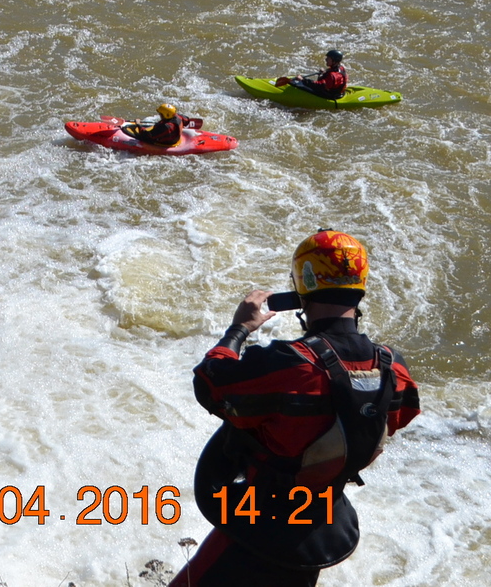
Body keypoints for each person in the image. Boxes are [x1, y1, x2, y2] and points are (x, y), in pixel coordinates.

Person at [171, 230, 420, 587]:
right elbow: (400, 416)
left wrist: (239, 328)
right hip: (319, 521)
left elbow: (210, 383)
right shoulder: (393, 366)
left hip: (260, 521)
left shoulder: (289, 363)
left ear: (303, 283)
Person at [121, 102, 201, 147]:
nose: (160, 115)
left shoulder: (165, 127)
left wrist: (138, 125)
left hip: (167, 142)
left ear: (166, 115)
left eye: (161, 114)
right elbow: (187, 120)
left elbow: (147, 135)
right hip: (174, 137)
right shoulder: (179, 117)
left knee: (142, 136)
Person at [278, 50, 348, 100]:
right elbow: (332, 75)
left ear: (334, 61)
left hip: (330, 95)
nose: (326, 59)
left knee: (300, 85)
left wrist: (303, 80)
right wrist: (325, 72)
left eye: (328, 58)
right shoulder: (340, 67)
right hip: (336, 92)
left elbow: (318, 86)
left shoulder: (333, 76)